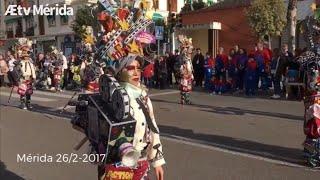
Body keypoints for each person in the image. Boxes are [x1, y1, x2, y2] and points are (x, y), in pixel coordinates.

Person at [99, 56, 165, 180]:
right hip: (116, 166)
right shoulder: (111, 96)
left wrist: (157, 162)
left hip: (140, 162)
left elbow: (153, 129)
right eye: (130, 68)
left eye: (138, 69)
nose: (136, 73)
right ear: (121, 71)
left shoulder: (143, 96)